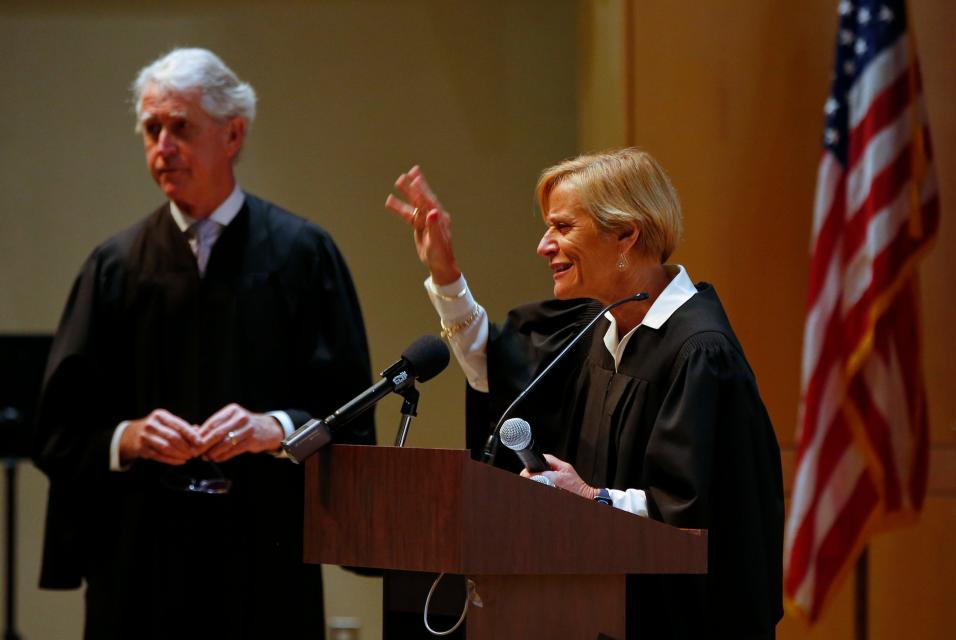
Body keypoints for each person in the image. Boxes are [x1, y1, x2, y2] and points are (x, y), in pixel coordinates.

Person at [33, 48, 375, 639]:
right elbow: (59, 430)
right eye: (151, 128)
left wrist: (276, 427)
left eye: (181, 127)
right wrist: (129, 436)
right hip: (141, 564)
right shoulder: (115, 267)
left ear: (233, 133)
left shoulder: (302, 255)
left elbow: (350, 411)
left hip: (262, 560)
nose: (162, 146)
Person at [385, 149, 784, 638]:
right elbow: (503, 369)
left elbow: (700, 516)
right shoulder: (601, 324)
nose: (543, 245)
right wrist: (446, 275)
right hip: (598, 612)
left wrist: (592, 498)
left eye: (562, 227)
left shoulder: (699, 352)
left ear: (625, 234)